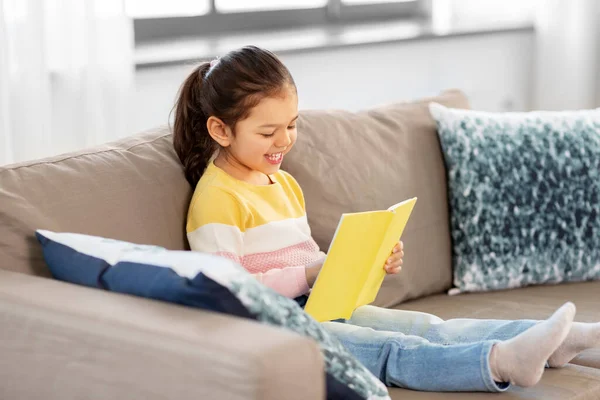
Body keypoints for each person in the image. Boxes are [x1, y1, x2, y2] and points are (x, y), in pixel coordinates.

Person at [171, 45, 599, 392]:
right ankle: (500, 362)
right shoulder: (215, 201)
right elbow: (227, 293)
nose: (284, 141)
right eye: (268, 132)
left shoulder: (281, 183)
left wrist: (362, 264)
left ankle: (559, 339)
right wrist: (312, 273)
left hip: (323, 309)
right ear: (221, 130)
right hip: (279, 330)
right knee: (392, 348)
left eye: (292, 125)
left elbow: (309, 264)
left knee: (426, 326)